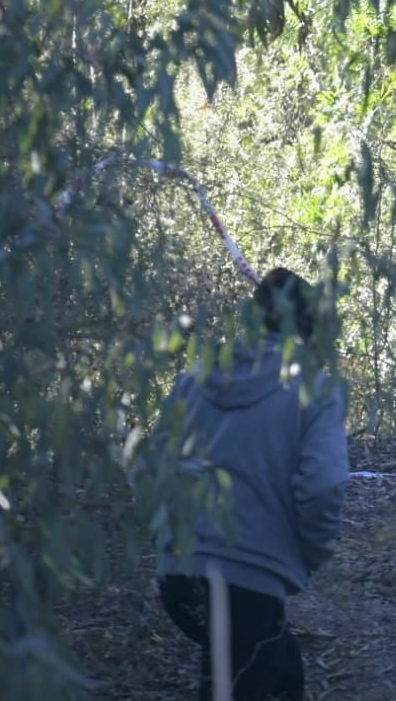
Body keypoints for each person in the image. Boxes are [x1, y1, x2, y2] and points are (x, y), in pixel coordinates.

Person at [156, 268, 349, 701]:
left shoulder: (194, 378)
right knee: (243, 677)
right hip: (247, 582)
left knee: (279, 671)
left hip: (178, 577)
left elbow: (157, 465)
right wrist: (311, 553)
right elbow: (324, 485)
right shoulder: (316, 390)